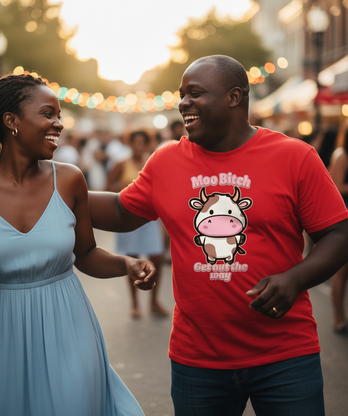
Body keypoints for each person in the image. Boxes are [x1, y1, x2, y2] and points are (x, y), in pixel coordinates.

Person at [88, 55, 348, 416]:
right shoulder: (166, 161)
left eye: (195, 93)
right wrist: (56, 188)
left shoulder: (295, 157)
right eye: (182, 95)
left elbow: (337, 233)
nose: (183, 103)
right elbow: (121, 211)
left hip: (286, 355)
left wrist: (295, 278)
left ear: (234, 97)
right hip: (198, 359)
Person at [0, 74, 156, 416]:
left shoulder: (68, 180)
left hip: (68, 327)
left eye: (59, 115)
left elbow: (86, 255)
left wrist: (125, 264)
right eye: (48, 114)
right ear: (12, 122)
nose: (59, 124)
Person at [107, 130, 168, 318]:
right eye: (136, 142)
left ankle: (154, 301)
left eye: (143, 142)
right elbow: (108, 188)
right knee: (132, 261)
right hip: (128, 218)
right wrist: (129, 188)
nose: (139, 146)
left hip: (150, 220)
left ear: (148, 143)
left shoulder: (152, 162)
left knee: (156, 258)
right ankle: (135, 304)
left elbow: (163, 188)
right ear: (130, 143)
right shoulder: (121, 164)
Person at [328, 128, 348, 334]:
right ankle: (339, 318)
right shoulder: (341, 154)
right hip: (345, 216)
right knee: (342, 271)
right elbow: (337, 186)